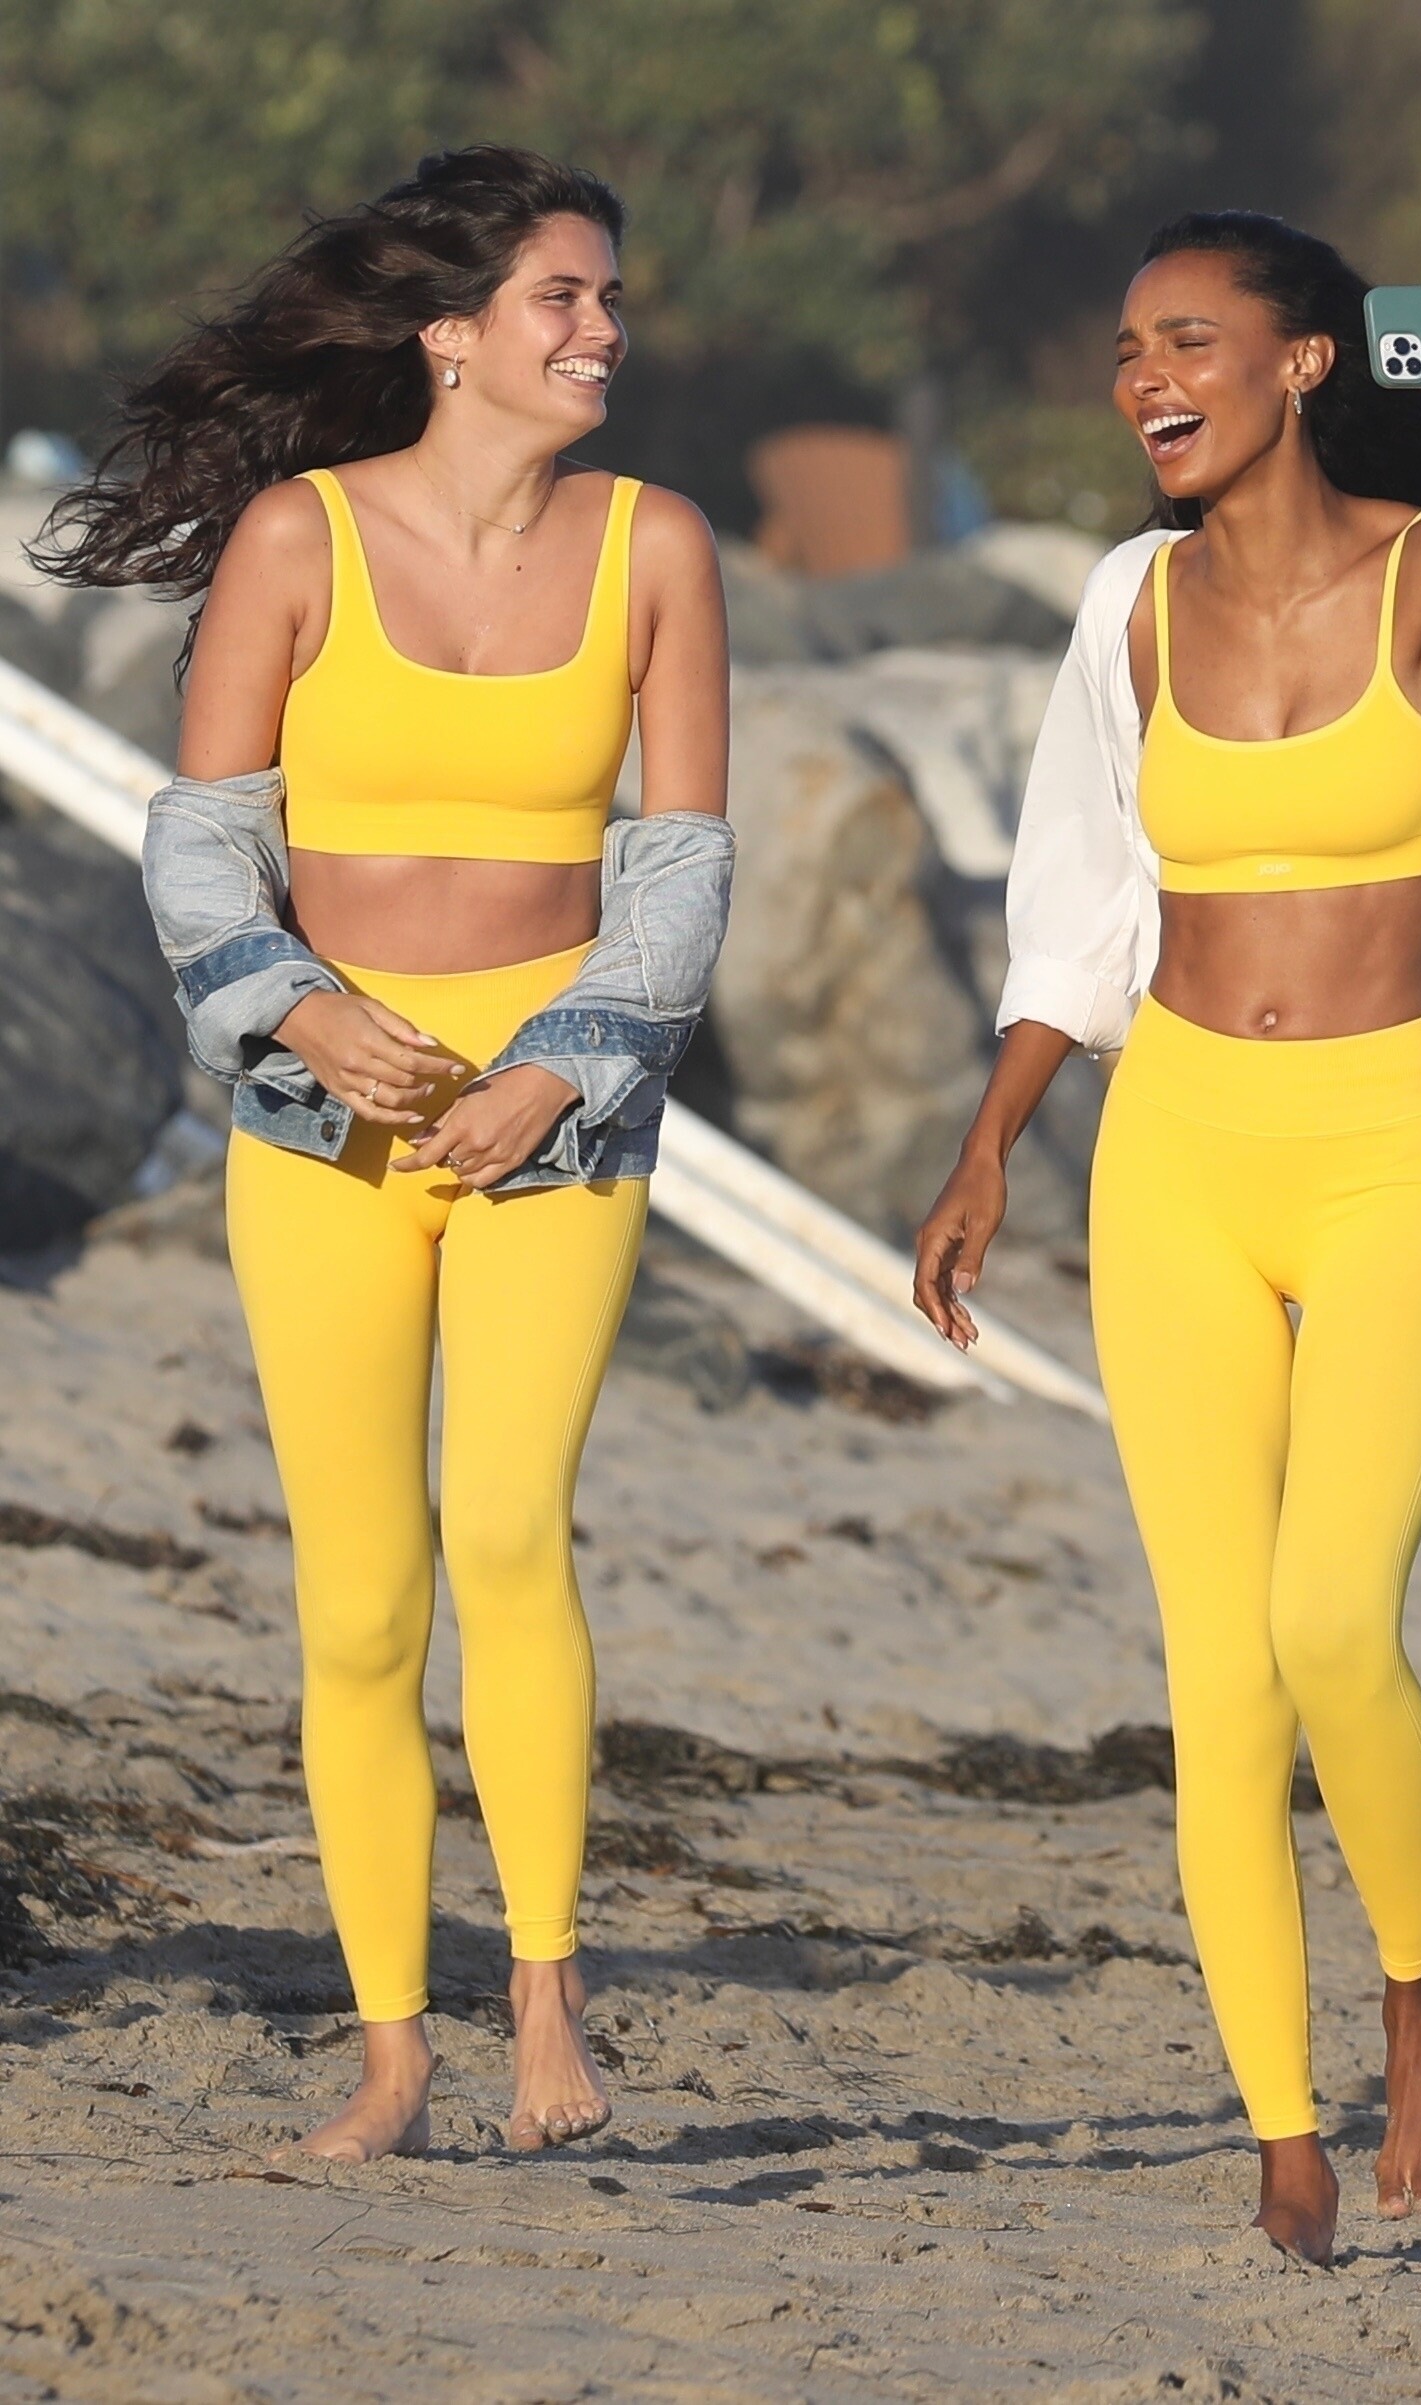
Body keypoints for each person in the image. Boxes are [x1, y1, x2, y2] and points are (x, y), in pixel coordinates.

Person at [913, 212, 1421, 2264]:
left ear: (1308, 362)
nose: (1146, 379)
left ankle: (1419, 1989)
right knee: (1220, 1680)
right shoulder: (1130, 603)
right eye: (1127, 350)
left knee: (1333, 1620)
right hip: (1171, 1150)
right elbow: (1077, 903)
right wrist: (988, 1147)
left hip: (1380, 1147)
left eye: (1189, 340)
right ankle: (1281, 2142)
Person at [35, 147, 733, 2162]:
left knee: (508, 1537)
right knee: (357, 1603)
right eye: (562, 298)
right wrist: (293, 1002)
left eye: (609, 298)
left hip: (553, 1109)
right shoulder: (299, 535)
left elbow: (681, 865)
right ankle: (391, 2049)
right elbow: (201, 837)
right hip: (320, 1108)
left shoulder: (657, 544)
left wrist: (570, 1061)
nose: (602, 329)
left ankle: (545, 2000)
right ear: (450, 335)